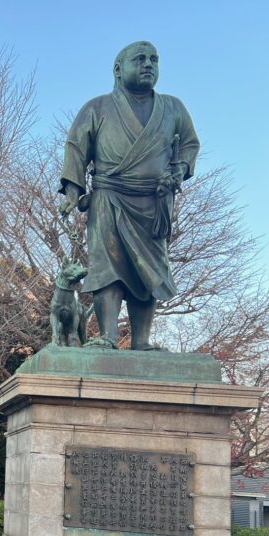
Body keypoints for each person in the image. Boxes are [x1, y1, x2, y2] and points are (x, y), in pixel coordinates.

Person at [58, 41, 199, 350]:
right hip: (109, 197)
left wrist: (180, 168)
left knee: (150, 271)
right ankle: (108, 336)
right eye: (140, 59)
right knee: (108, 267)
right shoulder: (97, 107)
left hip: (154, 200)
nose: (148, 64)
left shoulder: (173, 108)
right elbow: (76, 147)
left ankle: (142, 341)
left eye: (154, 59)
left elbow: (190, 144)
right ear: (118, 69)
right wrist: (72, 191)